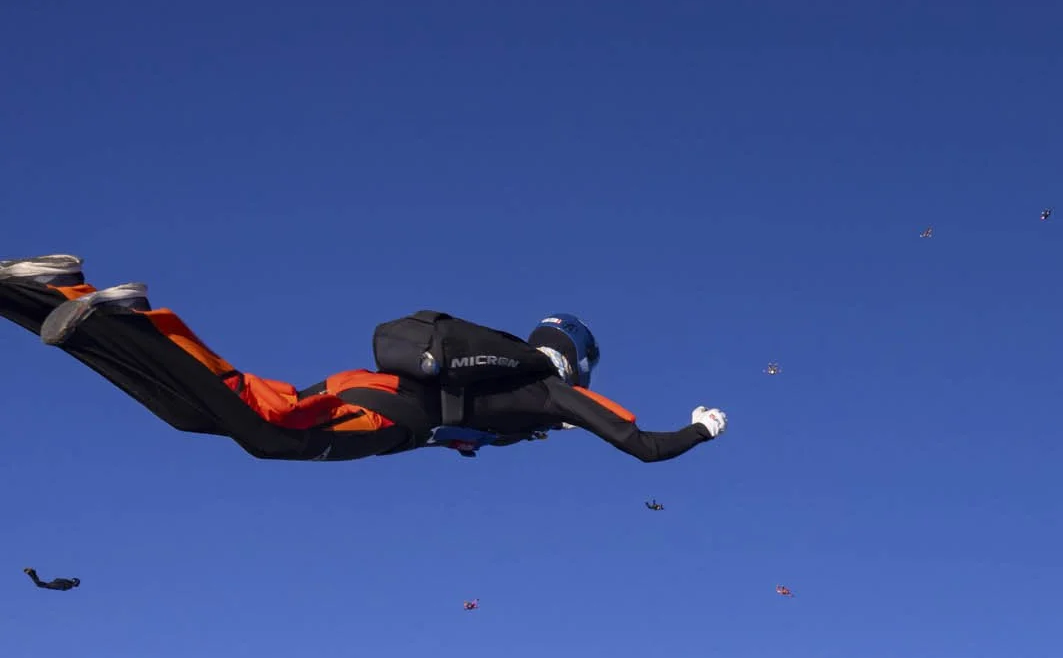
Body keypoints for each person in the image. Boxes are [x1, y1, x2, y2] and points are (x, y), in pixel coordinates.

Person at [2, 256, 723, 463]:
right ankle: (113, 321)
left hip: (360, 388)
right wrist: (701, 428)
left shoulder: (525, 388)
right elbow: (645, 447)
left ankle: (45, 294)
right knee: (262, 436)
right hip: (380, 417)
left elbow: (502, 421)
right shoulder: (554, 392)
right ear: (580, 363)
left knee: (212, 411)